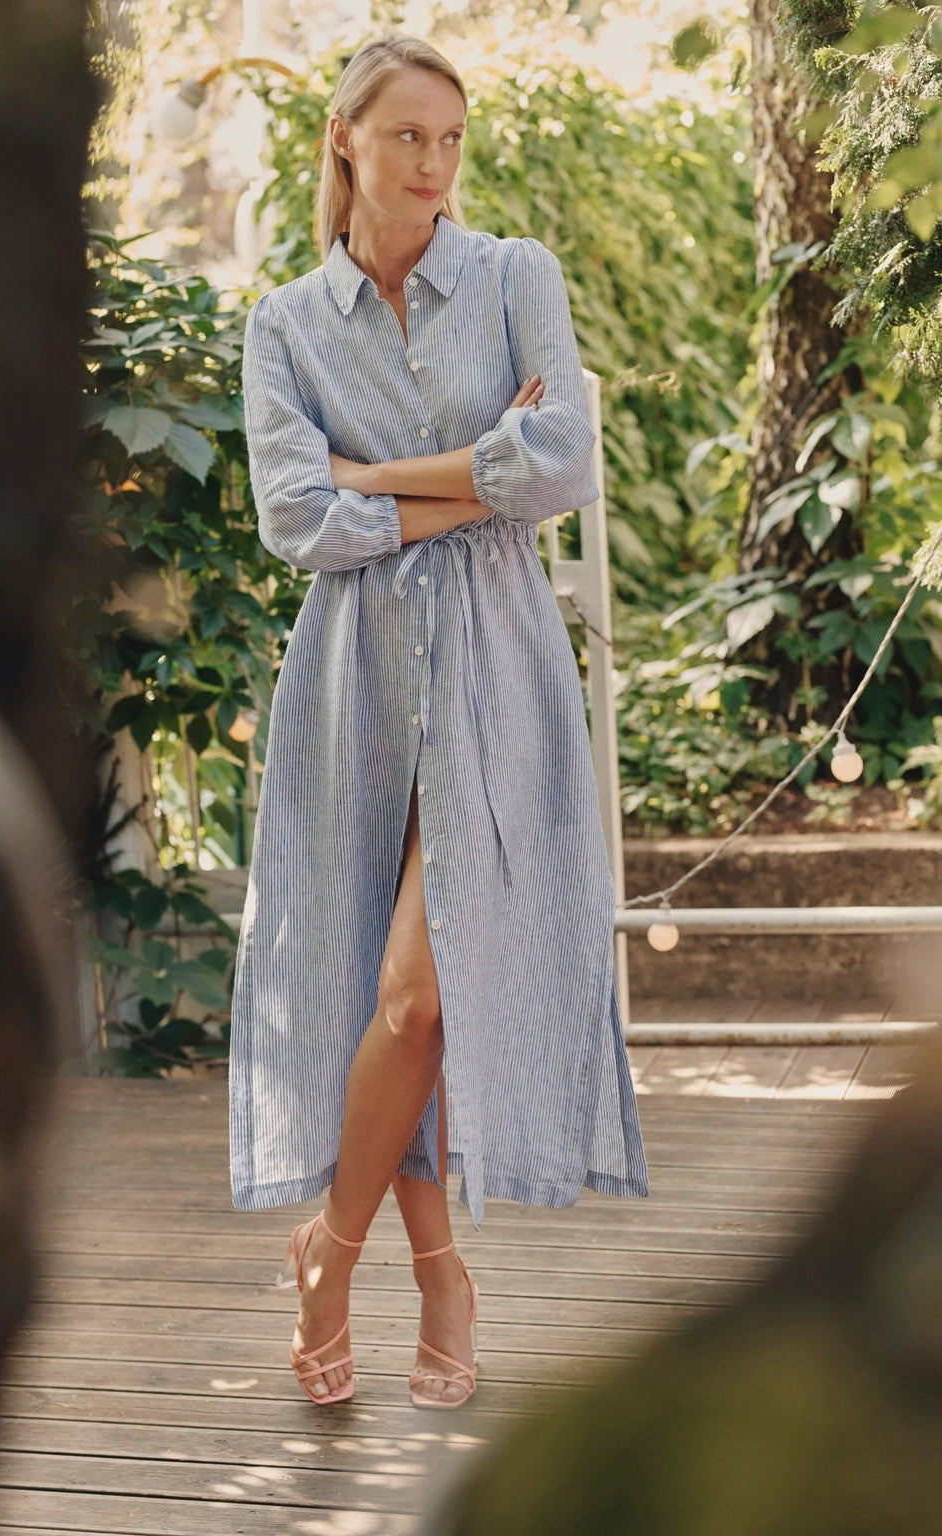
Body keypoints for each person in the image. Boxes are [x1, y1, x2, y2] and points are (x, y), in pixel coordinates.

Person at [228, 33, 649, 1412]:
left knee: (421, 996)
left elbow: (564, 460)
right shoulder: (285, 324)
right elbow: (301, 518)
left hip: (494, 666)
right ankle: (435, 1267)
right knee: (378, 989)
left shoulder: (518, 274)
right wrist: (479, 481)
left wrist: (385, 477)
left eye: (452, 140)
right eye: (409, 137)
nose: (435, 167)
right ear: (347, 142)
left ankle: (335, 1254)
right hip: (354, 681)